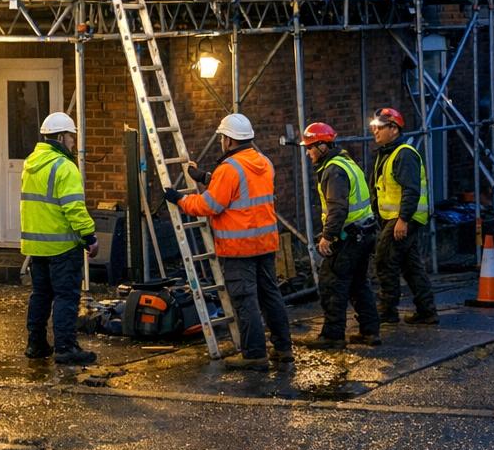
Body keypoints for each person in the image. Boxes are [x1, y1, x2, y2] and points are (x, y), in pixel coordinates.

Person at [164, 112, 293, 370]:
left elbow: (209, 204)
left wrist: (179, 199)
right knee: (270, 296)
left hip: (238, 249)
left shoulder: (229, 169)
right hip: (265, 244)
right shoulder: (264, 162)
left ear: (228, 140)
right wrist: (204, 177)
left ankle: (255, 354)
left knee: (245, 301)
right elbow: (241, 188)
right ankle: (283, 348)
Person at [20, 111, 99, 365]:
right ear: (62, 137)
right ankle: (65, 347)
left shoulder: (30, 164)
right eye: (72, 137)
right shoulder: (65, 167)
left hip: (36, 246)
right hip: (63, 246)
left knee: (41, 294)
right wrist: (90, 236)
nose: (74, 143)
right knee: (66, 296)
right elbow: (74, 208)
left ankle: (36, 344)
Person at [300, 121, 381, 349]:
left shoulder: (333, 170)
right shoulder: (346, 163)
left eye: (310, 147)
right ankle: (370, 331)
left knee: (332, 283)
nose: (308, 153)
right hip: (363, 234)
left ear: (323, 146)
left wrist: (328, 236)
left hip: (349, 237)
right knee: (358, 284)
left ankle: (333, 335)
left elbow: (337, 208)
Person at [369, 107, 439, 325]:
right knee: (411, 265)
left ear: (394, 129)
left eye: (380, 128)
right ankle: (426, 311)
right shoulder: (388, 153)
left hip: (402, 219)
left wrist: (403, 220)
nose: (375, 132)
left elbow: (411, 190)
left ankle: (387, 310)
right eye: (374, 128)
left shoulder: (404, 154)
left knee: (385, 259)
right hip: (396, 218)